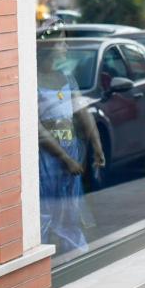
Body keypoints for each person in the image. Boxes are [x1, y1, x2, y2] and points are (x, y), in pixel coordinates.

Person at [36, 26, 105, 257]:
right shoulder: (33, 81)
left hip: (70, 151)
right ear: (46, 48)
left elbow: (82, 112)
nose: (66, 47)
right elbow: (36, 127)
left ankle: (74, 256)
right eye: (60, 43)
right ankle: (44, 261)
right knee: (46, 210)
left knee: (70, 209)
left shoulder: (67, 78)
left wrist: (96, 144)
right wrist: (64, 158)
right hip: (48, 159)